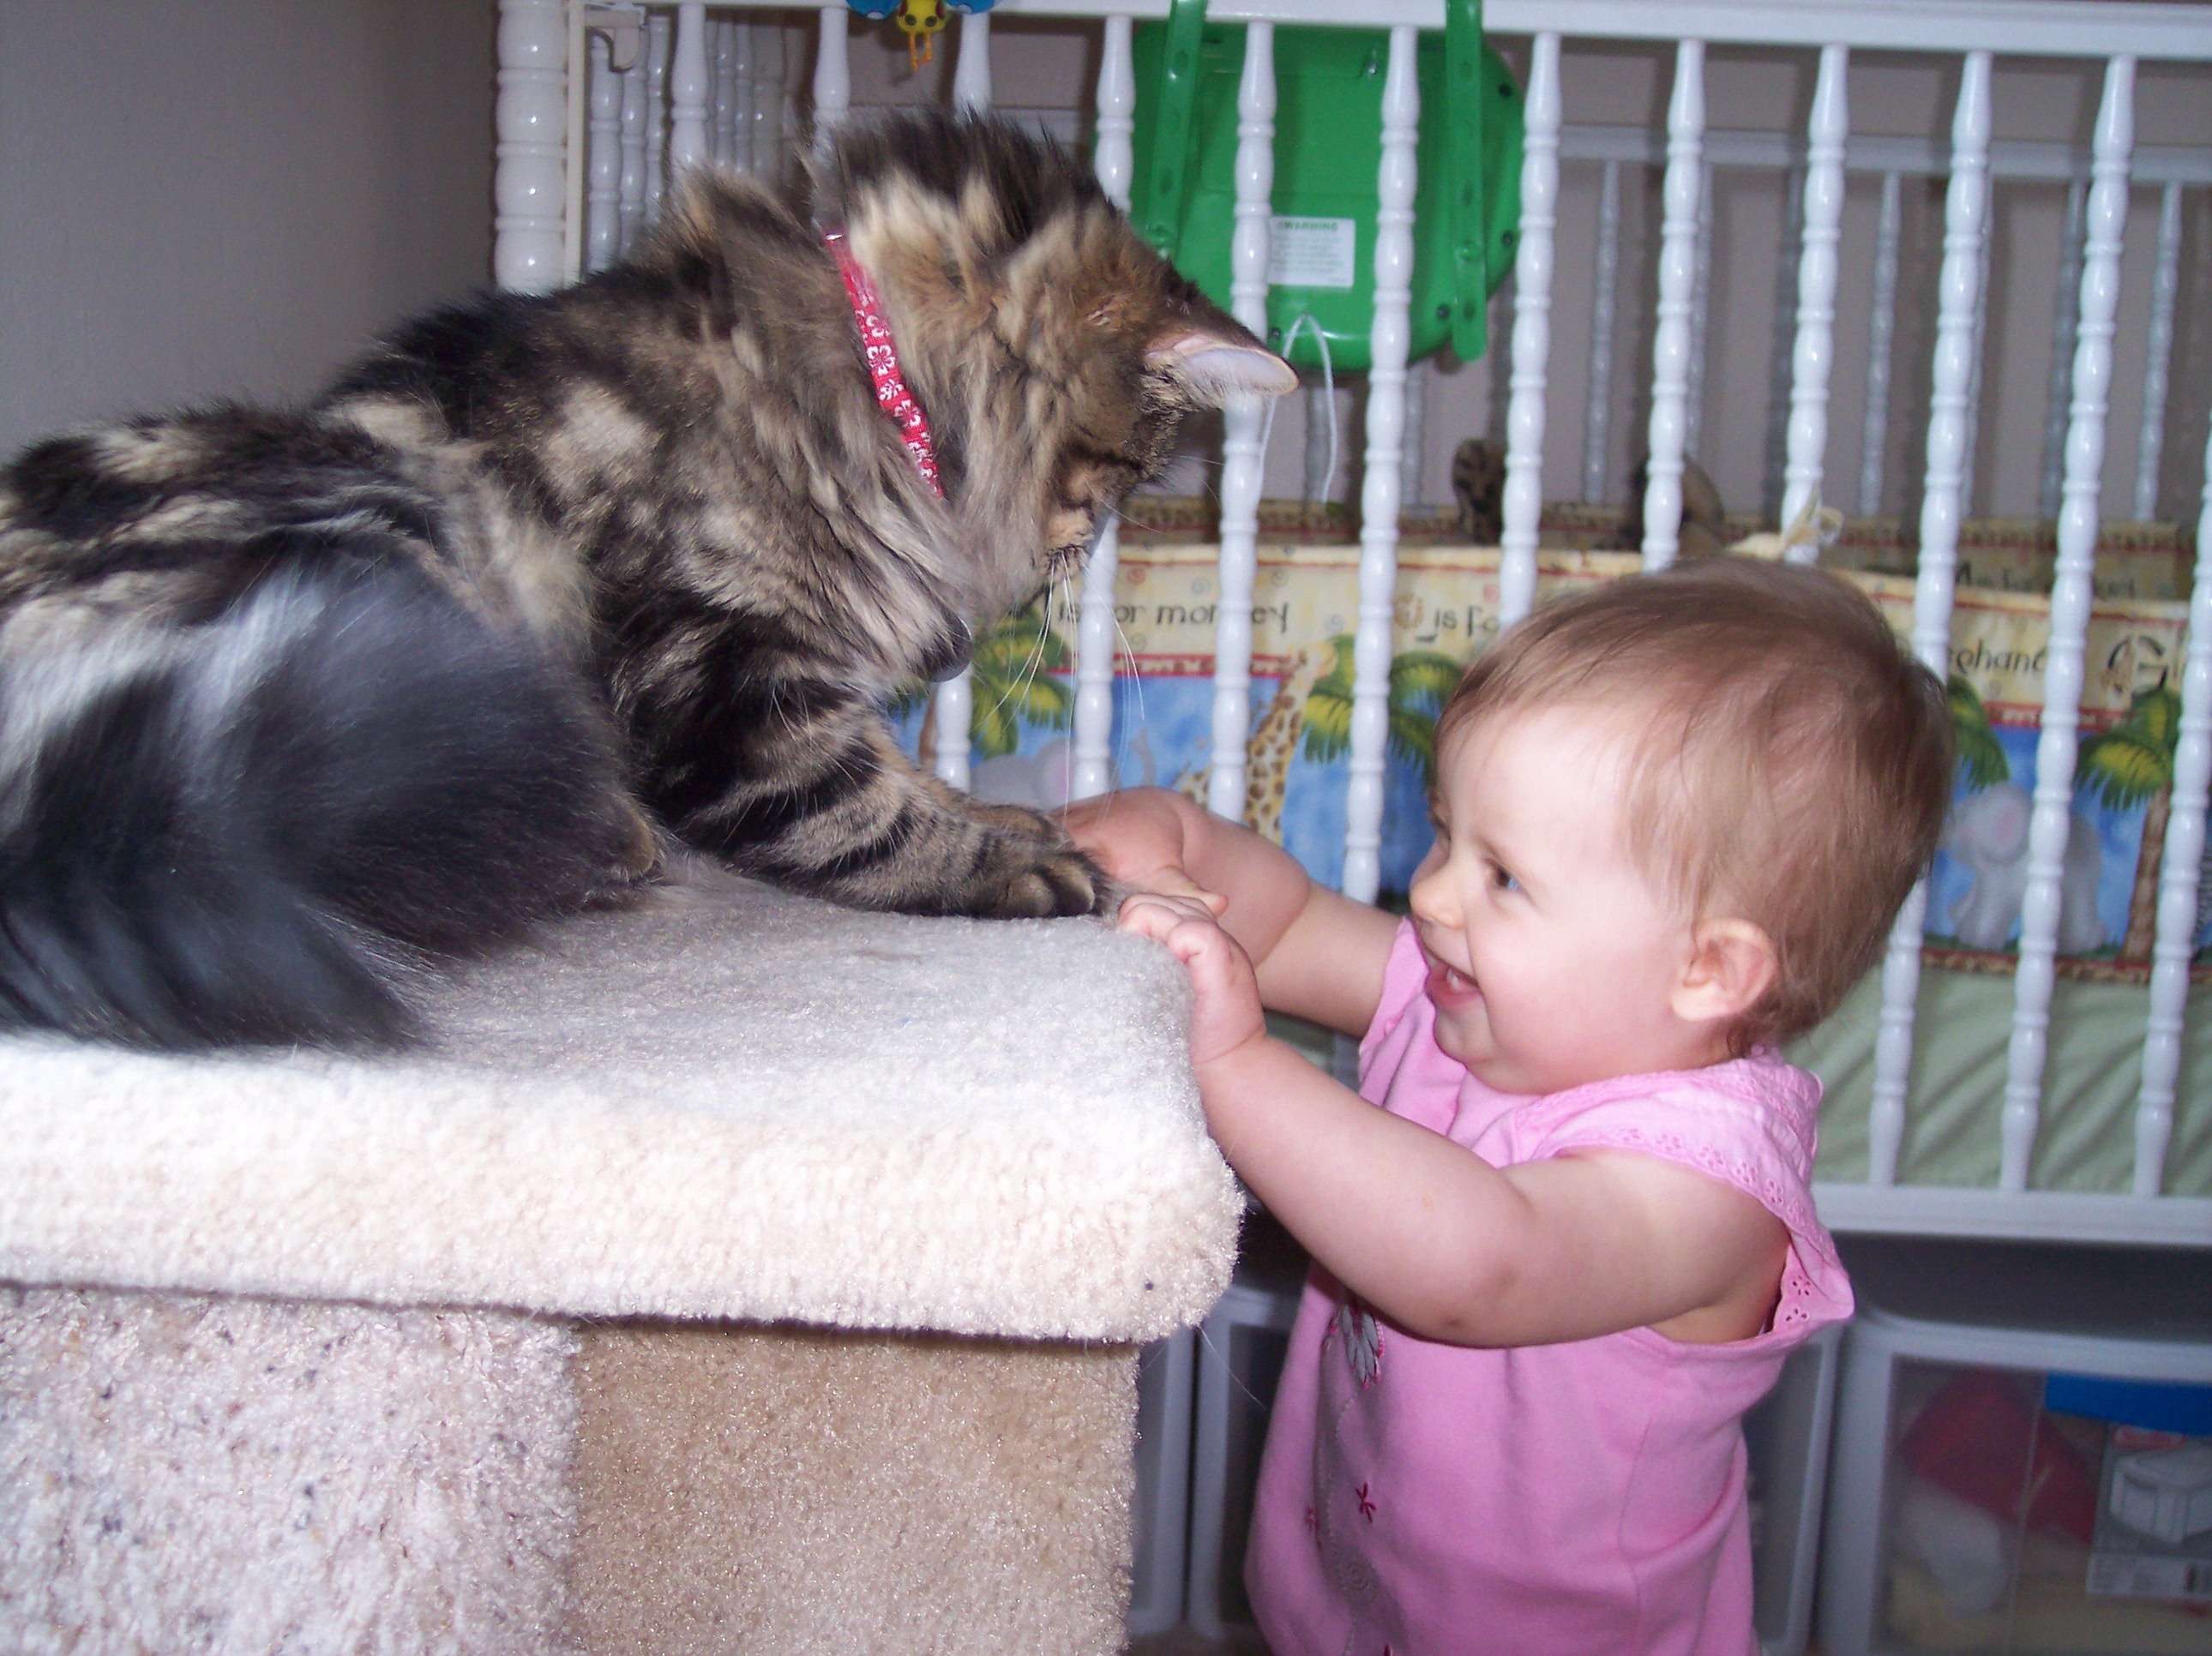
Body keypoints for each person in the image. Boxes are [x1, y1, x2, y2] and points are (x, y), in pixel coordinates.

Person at [1064, 557, 1954, 1655]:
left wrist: (1235, 1061)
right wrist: (1174, 842)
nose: (1431, 893)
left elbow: (1477, 1268)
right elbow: (1284, 927)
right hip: (1366, 1587)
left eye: (1505, 877)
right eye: (1447, 833)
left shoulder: (1711, 1187)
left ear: (1710, 971)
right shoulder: (1473, 1006)